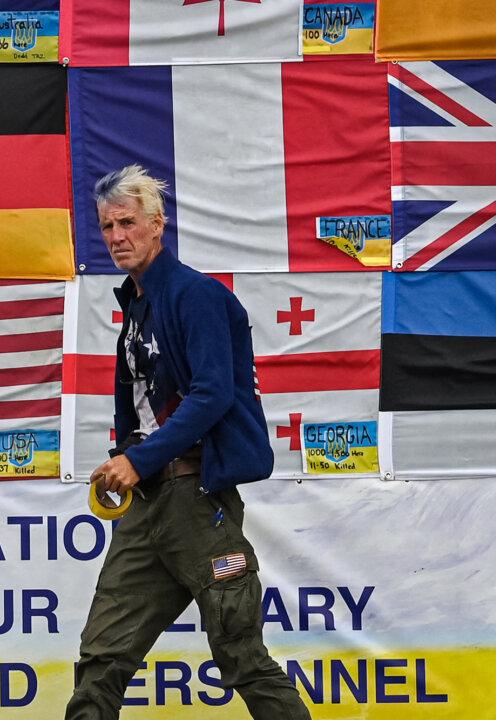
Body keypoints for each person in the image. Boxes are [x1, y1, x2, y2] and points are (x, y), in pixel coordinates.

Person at [65, 165, 312, 720]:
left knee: (242, 654)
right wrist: (124, 459)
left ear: (158, 226)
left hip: (198, 502)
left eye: (127, 223)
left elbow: (212, 395)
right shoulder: (137, 303)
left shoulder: (196, 294)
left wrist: (140, 457)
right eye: (106, 227)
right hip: (149, 504)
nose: (116, 237)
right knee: (101, 660)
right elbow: (147, 406)